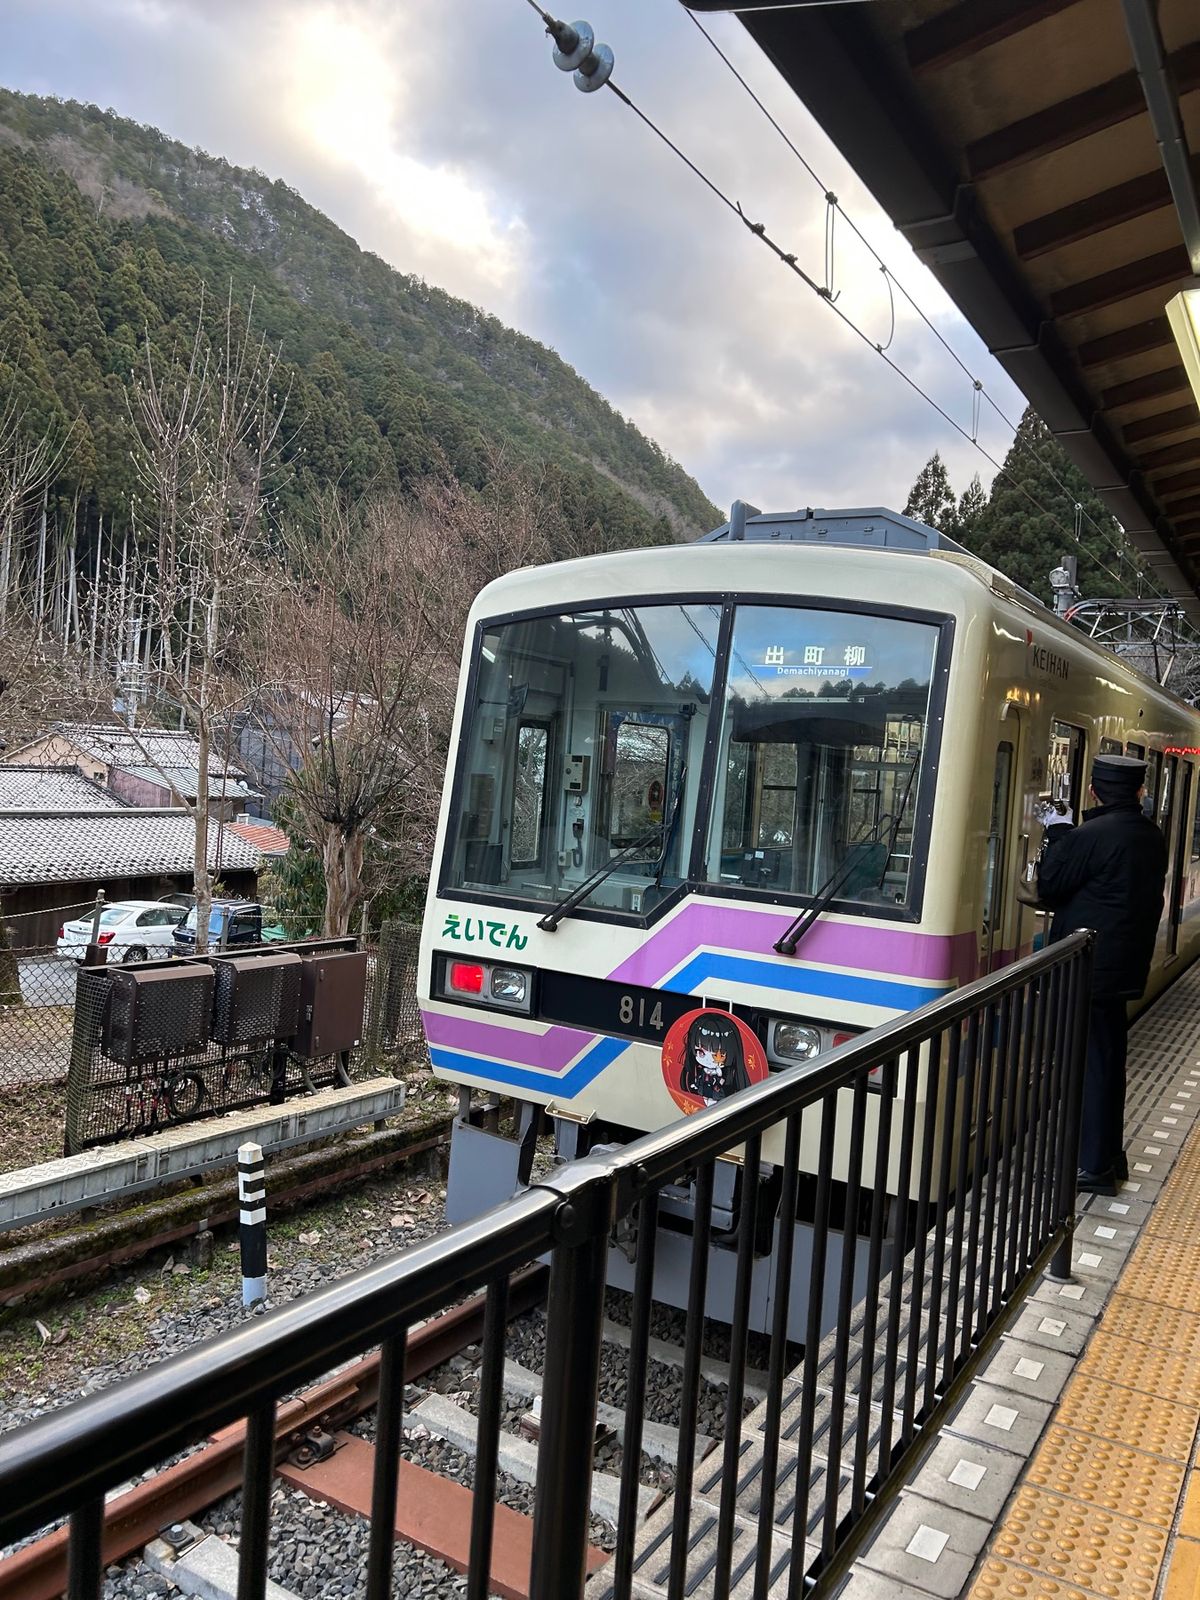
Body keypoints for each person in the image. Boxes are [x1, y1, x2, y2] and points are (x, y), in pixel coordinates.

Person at [1035, 753, 1168, 1194]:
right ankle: (1110, 1156)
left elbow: (1050, 885)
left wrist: (1057, 832)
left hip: (1087, 969)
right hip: (1122, 966)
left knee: (1089, 1065)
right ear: (1139, 792)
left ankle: (1092, 1167)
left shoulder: (1089, 835)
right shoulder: (1150, 835)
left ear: (1094, 791)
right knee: (1108, 1061)